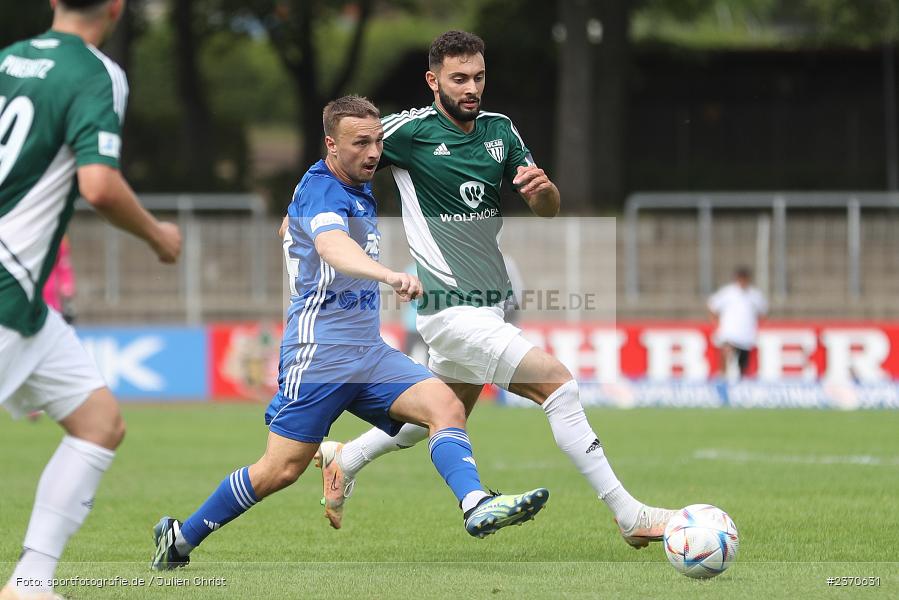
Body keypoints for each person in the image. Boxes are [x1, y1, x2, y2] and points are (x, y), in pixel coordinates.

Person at [150, 96, 548, 571]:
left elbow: (298, 228)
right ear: (331, 145)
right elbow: (332, 245)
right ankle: (180, 537)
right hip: (319, 354)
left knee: (446, 406)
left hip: (368, 352)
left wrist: (292, 229)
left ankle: (476, 504)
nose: (374, 152)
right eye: (360, 143)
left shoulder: (349, 183)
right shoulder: (325, 190)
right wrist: (388, 275)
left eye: (378, 141)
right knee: (281, 469)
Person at [313, 30, 676, 548]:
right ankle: (630, 514)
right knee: (558, 386)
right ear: (433, 80)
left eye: (479, 77)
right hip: (449, 309)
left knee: (441, 412)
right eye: (459, 78)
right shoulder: (408, 131)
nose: (471, 88)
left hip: (490, 306)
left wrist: (544, 192)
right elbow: (343, 154)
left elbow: (547, 209)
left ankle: (344, 458)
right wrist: (306, 209)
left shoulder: (500, 131)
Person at [0, 1, 182, 598]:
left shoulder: (7, 60)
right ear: (116, 7)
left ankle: (30, 583)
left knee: (98, 422)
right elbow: (98, 185)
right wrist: (157, 235)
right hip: (7, 284)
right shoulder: (97, 73)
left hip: (26, 307)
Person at [708, 266, 768, 381]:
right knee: (726, 352)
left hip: (746, 334)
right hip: (729, 331)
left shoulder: (754, 295)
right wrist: (715, 322)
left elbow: (763, 312)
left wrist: (756, 324)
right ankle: (722, 377)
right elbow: (713, 306)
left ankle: (739, 381)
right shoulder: (728, 292)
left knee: (742, 363)